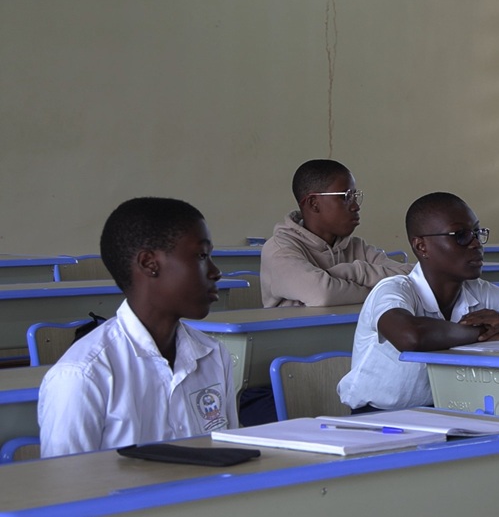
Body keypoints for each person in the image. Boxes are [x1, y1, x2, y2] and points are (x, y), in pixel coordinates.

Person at [338, 191, 499, 412]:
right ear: (421, 246)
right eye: (460, 235)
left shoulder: (479, 291)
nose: (475, 244)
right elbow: (411, 337)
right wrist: (488, 335)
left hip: (441, 415)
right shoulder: (394, 289)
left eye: (477, 233)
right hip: (375, 420)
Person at [38, 197, 238, 458]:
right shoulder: (82, 376)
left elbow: (231, 454)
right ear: (149, 263)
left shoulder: (213, 354)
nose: (215, 271)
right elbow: (66, 481)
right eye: (201, 255)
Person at [260, 159, 413, 308]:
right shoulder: (279, 250)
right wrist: (382, 291)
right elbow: (323, 294)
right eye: (345, 197)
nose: (355, 206)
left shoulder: (357, 247)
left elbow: (412, 278)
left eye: (355, 196)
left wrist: (355, 272)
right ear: (313, 203)